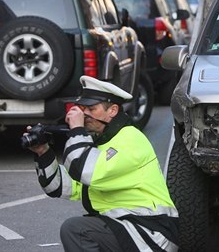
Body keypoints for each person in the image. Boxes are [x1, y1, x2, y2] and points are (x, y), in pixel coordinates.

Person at [25, 75, 179, 251]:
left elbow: (84, 170)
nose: (84, 114)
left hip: (151, 231)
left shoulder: (130, 138)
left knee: (77, 230)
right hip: (128, 226)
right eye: (82, 108)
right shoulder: (102, 141)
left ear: (112, 111)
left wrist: (76, 131)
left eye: (91, 108)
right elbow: (62, 187)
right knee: (81, 228)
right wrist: (43, 153)